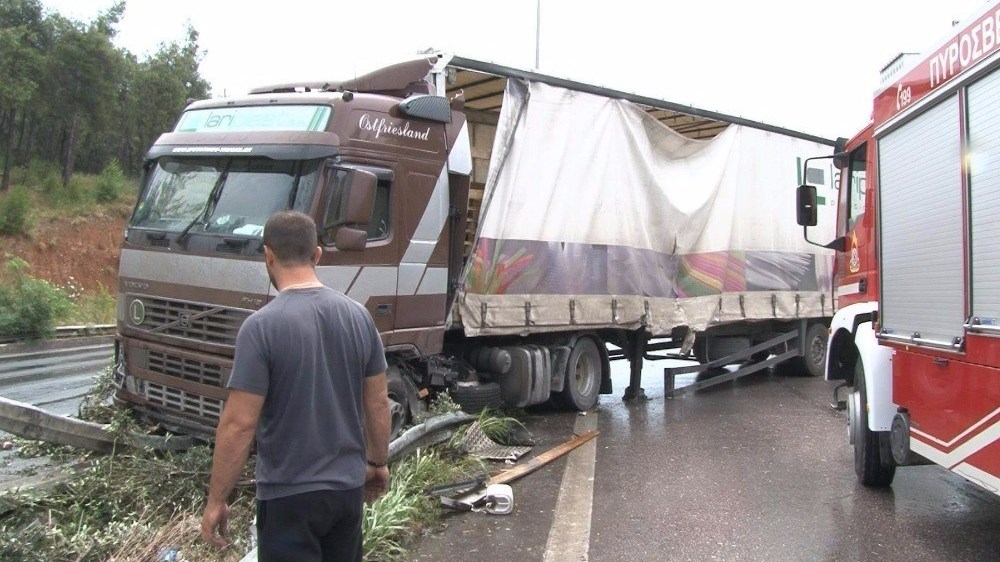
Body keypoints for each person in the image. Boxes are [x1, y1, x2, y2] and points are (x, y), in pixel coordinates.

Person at [201, 210, 391, 562]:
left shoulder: (260, 328)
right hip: (346, 494)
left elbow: (239, 425)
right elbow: (378, 403)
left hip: (288, 498)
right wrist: (377, 462)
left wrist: (217, 500)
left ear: (268, 256)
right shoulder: (359, 318)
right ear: (318, 254)